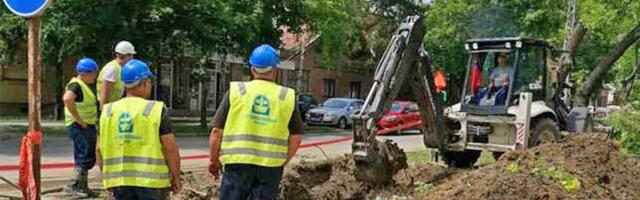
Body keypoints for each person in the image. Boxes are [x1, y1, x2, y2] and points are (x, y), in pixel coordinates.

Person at [208, 44, 304, 200]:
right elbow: (296, 136)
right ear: (275, 70)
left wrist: (213, 160)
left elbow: (216, 132)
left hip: (237, 164)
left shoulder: (236, 91)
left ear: (252, 69)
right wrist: (283, 160)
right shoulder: (286, 96)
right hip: (270, 167)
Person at [96, 59, 181, 200]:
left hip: (120, 182)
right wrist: (176, 177)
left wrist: (107, 177)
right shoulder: (156, 109)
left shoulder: (108, 111)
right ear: (144, 83)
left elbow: (98, 149)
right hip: (152, 183)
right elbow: (170, 149)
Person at [62, 58, 100, 198]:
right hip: (79, 126)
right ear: (86, 73)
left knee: (86, 155)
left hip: (85, 125)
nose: (95, 77)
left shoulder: (82, 84)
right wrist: (80, 121)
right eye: (94, 74)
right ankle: (72, 186)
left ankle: (82, 187)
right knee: (84, 156)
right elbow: (67, 99)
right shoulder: (76, 85)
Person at [97, 41, 136, 108]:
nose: (132, 58)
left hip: (113, 106)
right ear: (126, 55)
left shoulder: (120, 67)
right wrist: (104, 112)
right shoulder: (112, 69)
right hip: (107, 108)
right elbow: (104, 94)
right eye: (131, 55)